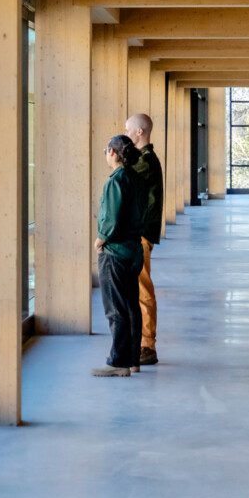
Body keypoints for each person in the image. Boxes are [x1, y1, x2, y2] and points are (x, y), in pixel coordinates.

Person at [93, 134, 147, 377]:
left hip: (115, 252)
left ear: (113, 152)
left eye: (106, 150)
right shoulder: (136, 178)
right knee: (130, 306)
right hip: (134, 250)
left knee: (115, 309)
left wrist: (101, 238)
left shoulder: (116, 180)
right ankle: (133, 359)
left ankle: (118, 362)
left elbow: (112, 216)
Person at [127, 113, 164, 365]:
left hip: (140, 234)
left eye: (128, 130)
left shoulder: (146, 161)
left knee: (142, 289)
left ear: (139, 132)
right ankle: (140, 341)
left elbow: (123, 179)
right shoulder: (143, 159)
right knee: (137, 289)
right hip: (137, 232)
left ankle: (147, 345)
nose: (125, 134)